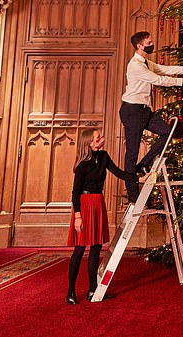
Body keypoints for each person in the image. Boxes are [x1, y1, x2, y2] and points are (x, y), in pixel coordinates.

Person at [120, 31, 183, 203]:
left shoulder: (146, 63)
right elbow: (158, 79)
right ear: (140, 46)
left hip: (144, 111)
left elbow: (165, 69)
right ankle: (132, 194)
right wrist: (182, 82)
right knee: (131, 153)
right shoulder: (135, 65)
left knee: (168, 132)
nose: (151, 45)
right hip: (132, 111)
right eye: (149, 43)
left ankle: (144, 164)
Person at [67, 128, 136, 304]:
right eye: (98, 137)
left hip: (98, 202)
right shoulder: (82, 165)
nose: (102, 139)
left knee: (96, 248)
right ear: (89, 143)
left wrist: (138, 179)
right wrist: (77, 217)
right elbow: (75, 192)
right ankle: (71, 292)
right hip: (84, 205)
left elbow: (119, 173)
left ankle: (92, 290)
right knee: (80, 249)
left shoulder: (104, 156)